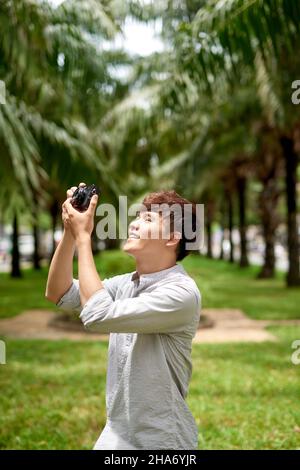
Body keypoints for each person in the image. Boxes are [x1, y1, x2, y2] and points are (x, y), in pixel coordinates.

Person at [45, 184, 201, 450]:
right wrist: (71, 233)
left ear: (173, 238)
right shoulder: (128, 284)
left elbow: (97, 315)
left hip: (161, 439)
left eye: (148, 219)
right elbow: (58, 291)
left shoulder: (181, 293)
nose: (134, 224)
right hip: (117, 431)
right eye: (138, 216)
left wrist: (85, 238)